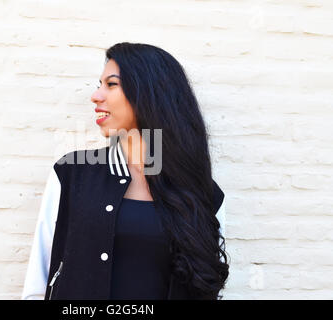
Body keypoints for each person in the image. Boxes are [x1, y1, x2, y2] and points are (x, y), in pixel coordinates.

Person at [21, 42, 229, 300]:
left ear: (150, 92)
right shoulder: (72, 175)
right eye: (100, 85)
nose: (96, 96)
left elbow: (207, 286)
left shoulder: (202, 191)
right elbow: (38, 284)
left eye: (111, 84)